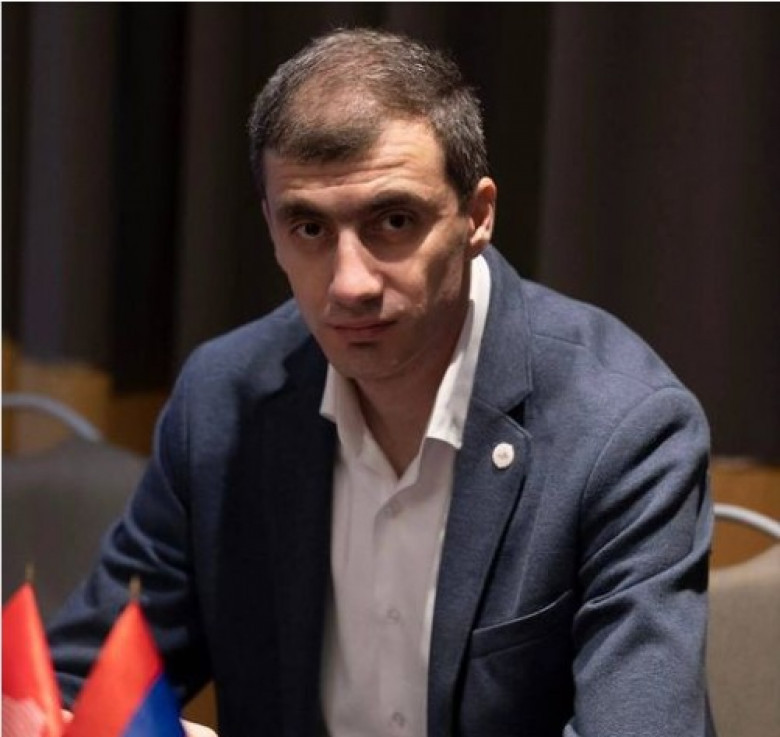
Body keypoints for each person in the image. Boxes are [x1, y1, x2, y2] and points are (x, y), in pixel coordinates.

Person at [48, 28, 715, 737]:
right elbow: (73, 687)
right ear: (270, 227)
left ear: (477, 216)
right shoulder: (223, 402)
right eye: (309, 228)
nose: (350, 284)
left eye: (393, 221)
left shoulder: (625, 429)